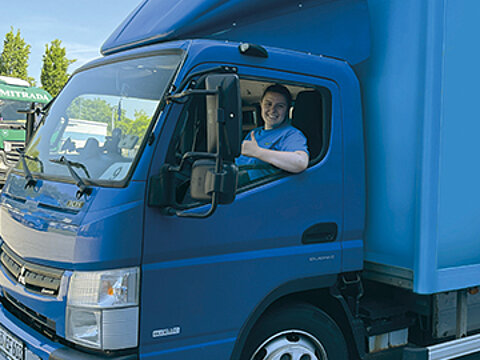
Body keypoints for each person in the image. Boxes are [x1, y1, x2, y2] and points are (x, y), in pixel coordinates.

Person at [236, 84, 309, 181]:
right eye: (268, 104)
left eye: (280, 106)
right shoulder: (254, 133)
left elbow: (300, 162)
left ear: (287, 110)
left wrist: (257, 152)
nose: (272, 110)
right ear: (261, 104)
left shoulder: (291, 134)